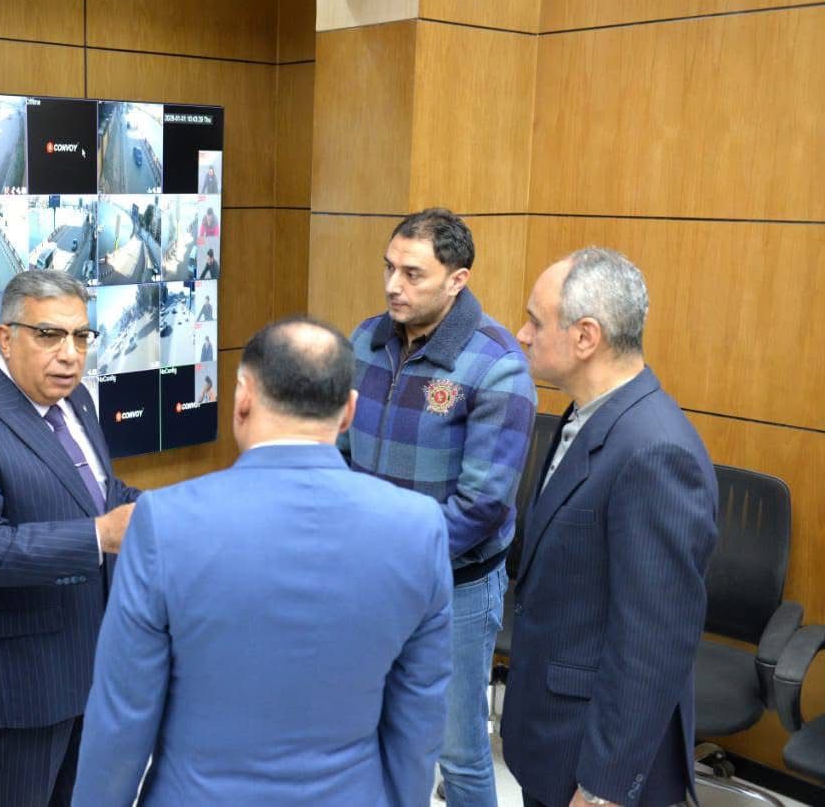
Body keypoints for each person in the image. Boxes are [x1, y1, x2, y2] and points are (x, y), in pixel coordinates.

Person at [74, 317, 453, 806]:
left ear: (243, 398)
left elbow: (121, 719)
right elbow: (419, 720)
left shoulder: (163, 523)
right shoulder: (419, 528)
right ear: (349, 412)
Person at [0, 269, 140, 806]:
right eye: (49, 335)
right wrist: (98, 536)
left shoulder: (78, 403)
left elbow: (99, 492)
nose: (70, 354)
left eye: (81, 336)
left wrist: (165, 511)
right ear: (6, 337)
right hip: (21, 677)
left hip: (94, 658)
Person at [502, 248, 718, 807]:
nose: (521, 335)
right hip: (551, 738)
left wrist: (603, 790)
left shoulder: (656, 452)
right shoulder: (587, 414)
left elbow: (652, 644)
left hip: (596, 765)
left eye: (535, 321)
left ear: (585, 337)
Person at [341, 208, 536, 806]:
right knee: (368, 730)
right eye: (389, 268)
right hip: (370, 573)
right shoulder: (365, 340)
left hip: (457, 584)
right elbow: (338, 453)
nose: (393, 285)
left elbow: (482, 505)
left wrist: (395, 556)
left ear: (457, 280)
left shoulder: (497, 364)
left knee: (459, 751)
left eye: (412, 274)